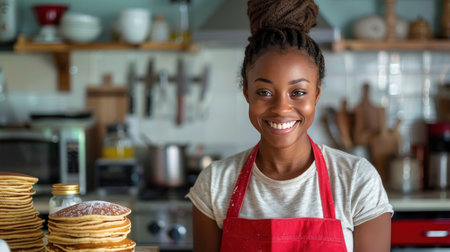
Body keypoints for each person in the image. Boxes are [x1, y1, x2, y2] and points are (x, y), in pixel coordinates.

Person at [186, 0, 393, 251]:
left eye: (298, 92)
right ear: (246, 94)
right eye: (264, 92)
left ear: (316, 95)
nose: (282, 108)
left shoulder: (356, 180)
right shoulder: (215, 184)